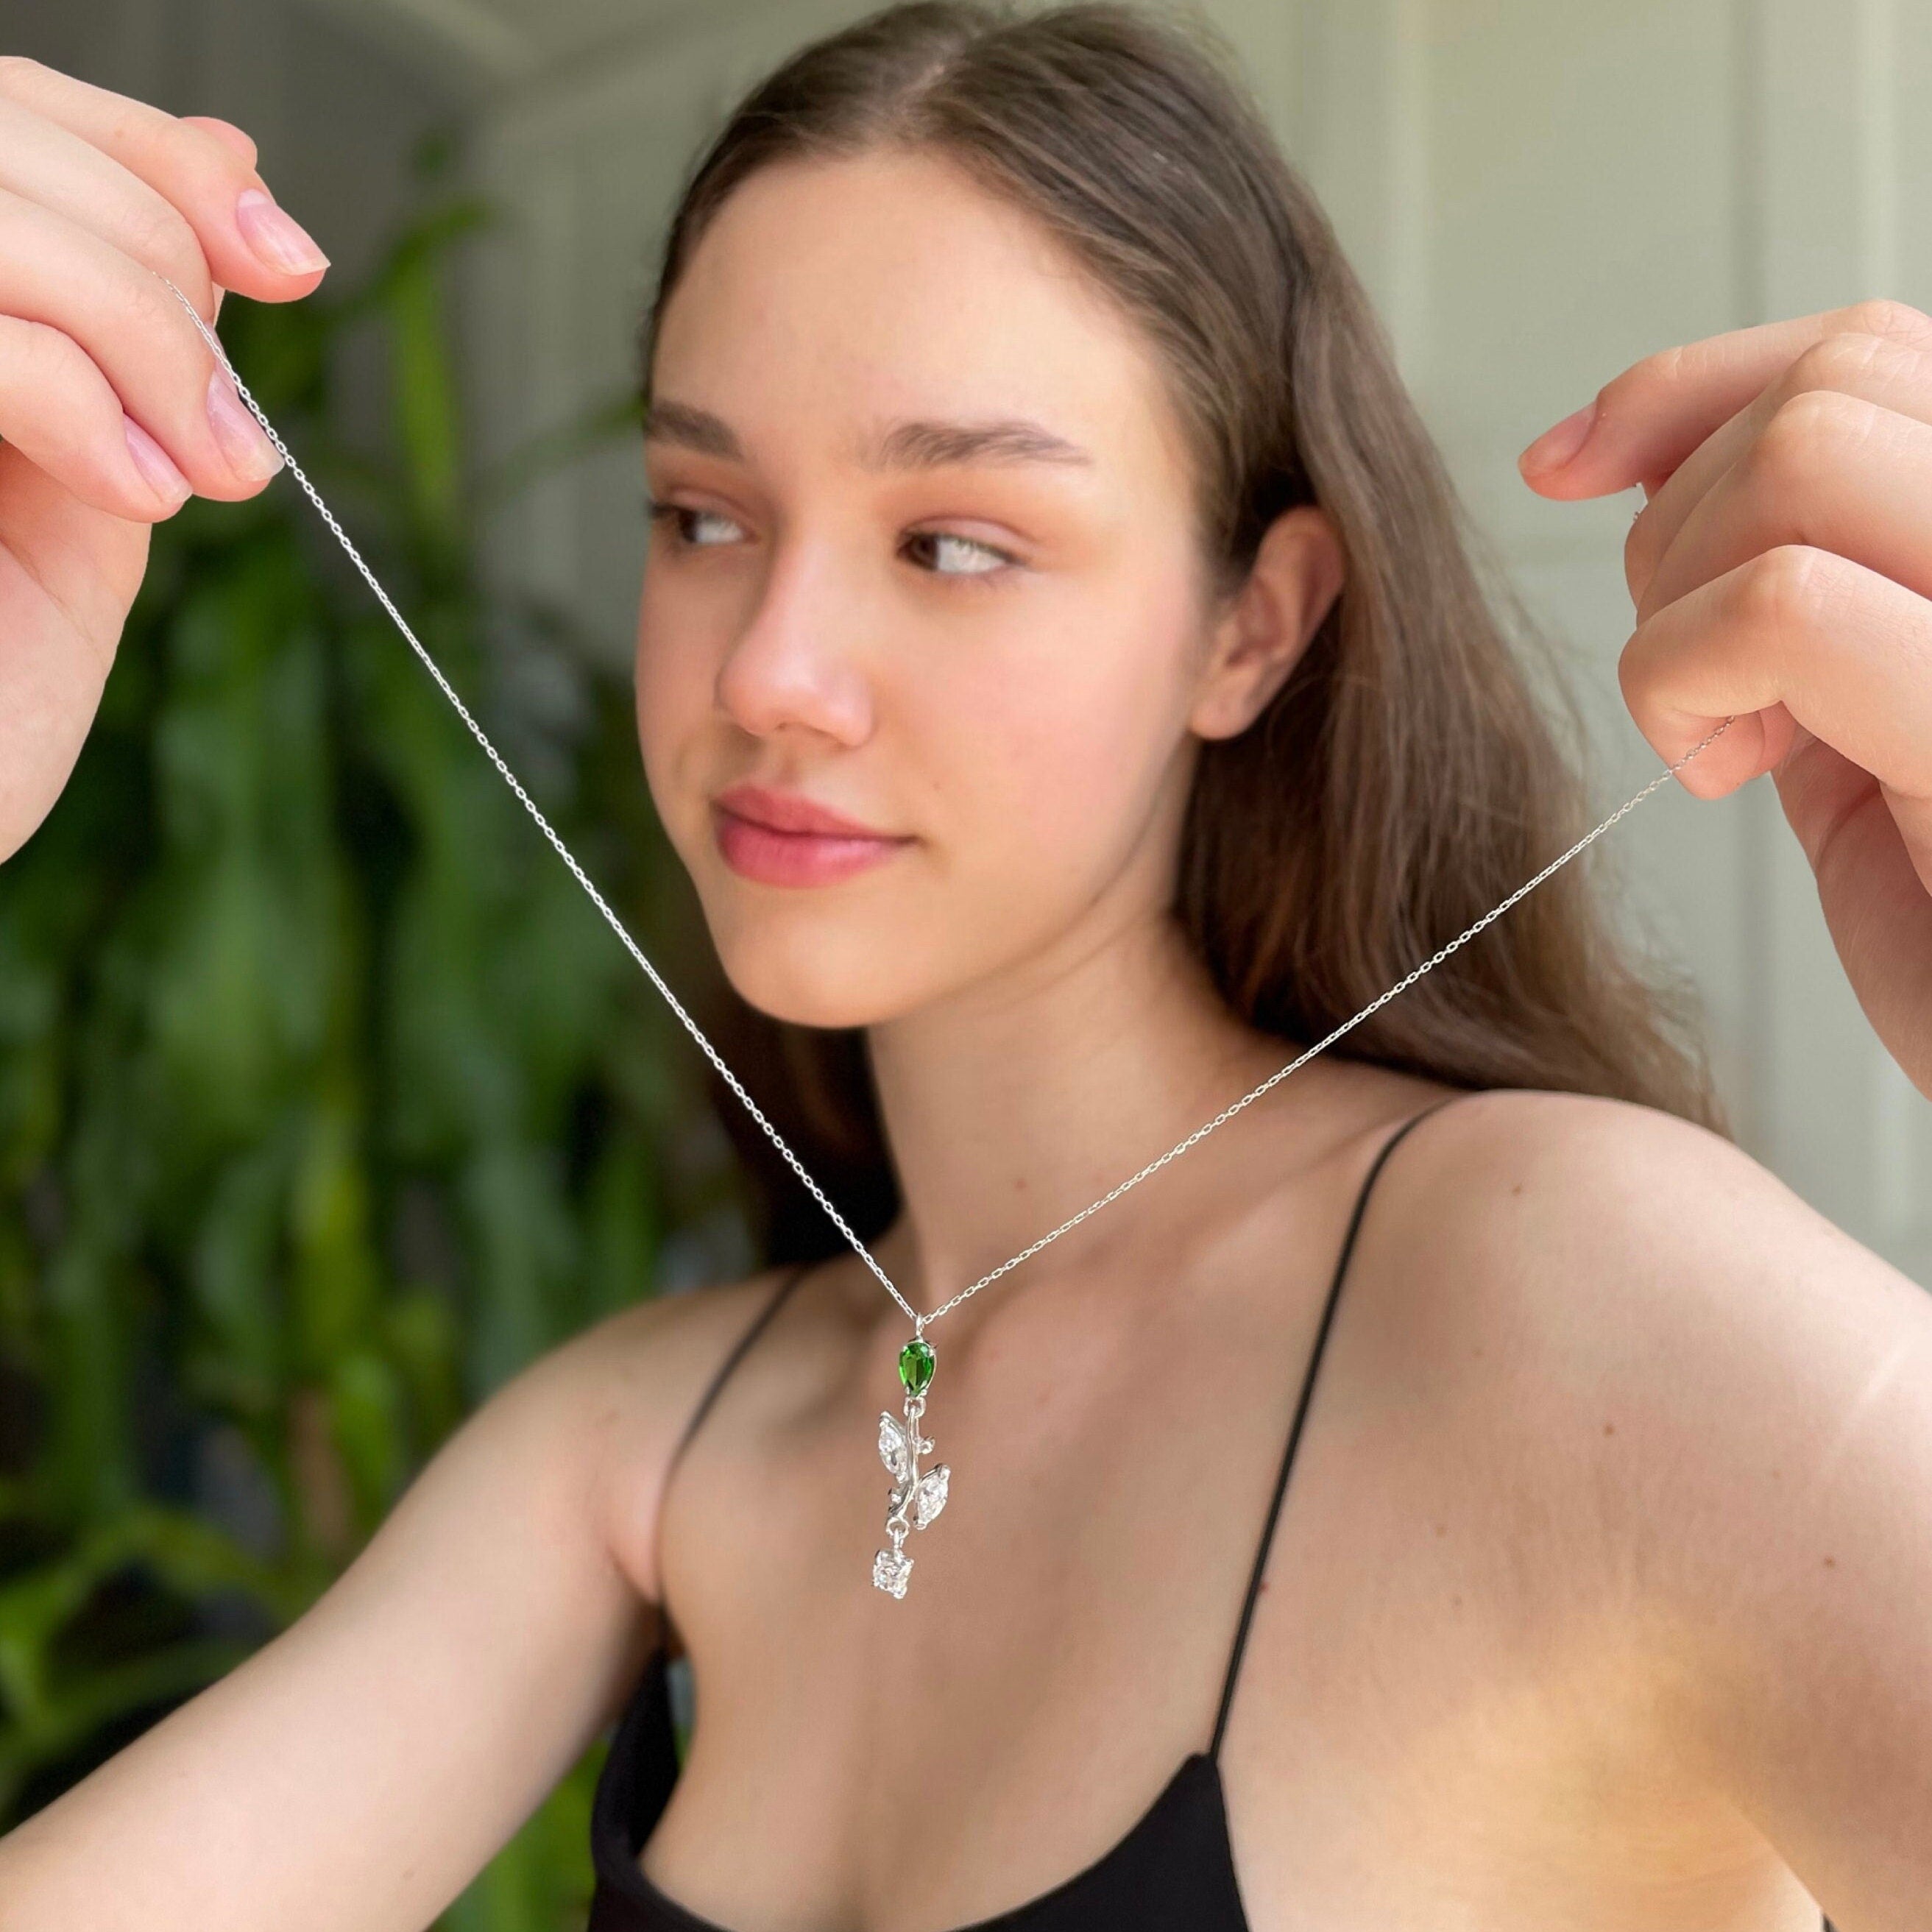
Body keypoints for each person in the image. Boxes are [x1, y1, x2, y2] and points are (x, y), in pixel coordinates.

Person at [0, 4, 1926, 1928]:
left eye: (954, 542)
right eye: (703, 515)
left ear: (1252, 627)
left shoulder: (1561, 1300)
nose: (765, 670)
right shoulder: (649, 1444)